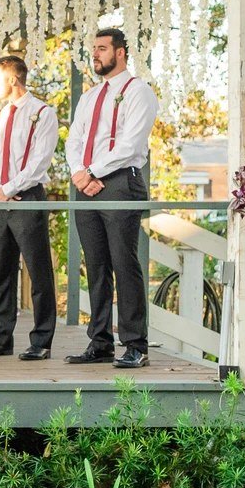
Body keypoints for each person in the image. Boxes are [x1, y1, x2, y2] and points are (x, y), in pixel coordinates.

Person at [64, 28, 160, 369]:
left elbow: (131, 145)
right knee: (96, 264)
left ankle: (135, 344)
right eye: (94, 49)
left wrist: (91, 171)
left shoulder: (140, 92)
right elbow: (74, 140)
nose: (96, 55)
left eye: (102, 48)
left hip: (120, 181)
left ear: (121, 52)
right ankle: (100, 341)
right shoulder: (89, 97)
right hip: (86, 183)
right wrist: (80, 172)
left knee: (124, 262)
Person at [0, 55, 58, 360]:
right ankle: (1, 338)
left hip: (28, 198)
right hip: (1, 201)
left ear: (12, 79)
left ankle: (41, 341)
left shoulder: (42, 113)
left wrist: (9, 189)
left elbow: (39, 162)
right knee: (0, 270)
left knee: (38, 271)